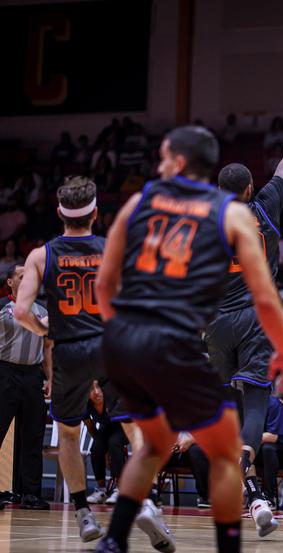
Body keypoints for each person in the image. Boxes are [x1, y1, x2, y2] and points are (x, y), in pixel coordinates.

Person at [92, 125, 283, 553]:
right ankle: (248, 490)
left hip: (197, 327)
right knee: (251, 407)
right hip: (252, 320)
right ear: (251, 187)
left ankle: (128, 523)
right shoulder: (256, 214)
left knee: (178, 426)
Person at [204, 70, 283, 539]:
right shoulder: (266, 207)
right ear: (252, 188)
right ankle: (246, 465)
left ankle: (249, 489)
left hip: (215, 323)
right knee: (257, 397)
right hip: (256, 317)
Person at [13, 177, 137, 544]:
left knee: (68, 432)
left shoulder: (41, 255)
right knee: (135, 427)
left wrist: (43, 328)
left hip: (67, 348)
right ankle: (143, 502)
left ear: (59, 213)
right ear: (96, 213)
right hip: (109, 345)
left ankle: (83, 512)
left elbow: (20, 311)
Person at [0, 264, 50, 510]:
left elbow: (48, 348)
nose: (27, 277)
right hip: (4, 372)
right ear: (10, 282)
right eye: (21, 275)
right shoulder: (1, 307)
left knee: (33, 435)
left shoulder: (42, 311)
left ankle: (30, 494)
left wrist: (50, 378)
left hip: (33, 375)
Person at [84, 381, 128, 506]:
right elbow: (90, 427)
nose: (96, 392)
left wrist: (109, 448)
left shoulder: (113, 398)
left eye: (98, 387)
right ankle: (102, 490)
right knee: (96, 447)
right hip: (107, 427)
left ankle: (120, 489)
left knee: (114, 443)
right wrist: (103, 449)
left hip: (125, 425)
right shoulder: (85, 405)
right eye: (91, 389)